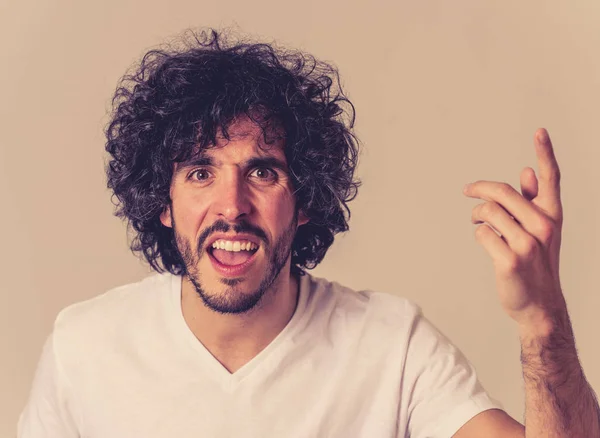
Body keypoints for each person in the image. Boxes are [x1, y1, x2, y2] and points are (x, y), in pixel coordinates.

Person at [18, 28, 599, 437]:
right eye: (200, 172)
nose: (232, 206)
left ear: (304, 201)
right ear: (162, 202)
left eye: (263, 172)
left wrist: (541, 320)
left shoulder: (392, 347)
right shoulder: (84, 349)